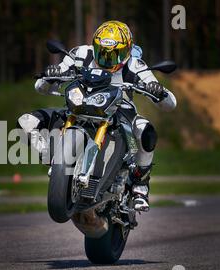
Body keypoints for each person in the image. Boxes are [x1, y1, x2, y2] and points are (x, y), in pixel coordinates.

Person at [17, 20, 177, 212]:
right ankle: (51, 157)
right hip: (80, 106)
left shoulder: (135, 65)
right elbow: (40, 87)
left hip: (120, 112)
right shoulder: (80, 54)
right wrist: (51, 75)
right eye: (102, 52)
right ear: (94, 46)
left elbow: (171, 103)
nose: (107, 58)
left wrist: (158, 91)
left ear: (127, 51)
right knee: (27, 122)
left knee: (146, 132)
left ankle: (140, 186)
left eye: (114, 54)